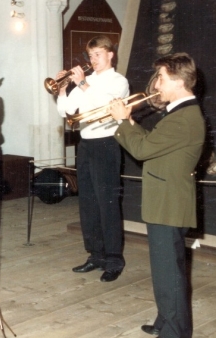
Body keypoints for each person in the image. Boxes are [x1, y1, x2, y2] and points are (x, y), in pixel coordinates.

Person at [110, 52, 204, 338]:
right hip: (165, 202)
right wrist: (129, 124)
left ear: (177, 80)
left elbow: (141, 149)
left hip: (169, 204)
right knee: (165, 271)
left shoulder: (184, 117)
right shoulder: (178, 113)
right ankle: (166, 320)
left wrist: (124, 121)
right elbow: (151, 145)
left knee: (169, 274)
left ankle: (175, 332)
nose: (156, 84)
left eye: (161, 77)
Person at [56, 35, 129, 282]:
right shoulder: (87, 80)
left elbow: (108, 105)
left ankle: (114, 260)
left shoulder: (119, 81)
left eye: (98, 54)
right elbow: (66, 111)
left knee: (107, 203)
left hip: (107, 145)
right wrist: (63, 89)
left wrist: (84, 84)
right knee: (87, 202)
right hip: (86, 145)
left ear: (111, 55)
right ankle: (95, 255)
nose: (93, 60)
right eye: (90, 55)